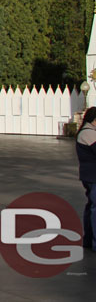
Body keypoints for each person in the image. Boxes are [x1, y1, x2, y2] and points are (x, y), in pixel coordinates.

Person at [77, 107, 96, 253]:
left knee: (91, 207)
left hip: (89, 175)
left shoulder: (87, 131)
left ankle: (89, 239)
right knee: (95, 208)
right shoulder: (89, 133)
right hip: (93, 176)